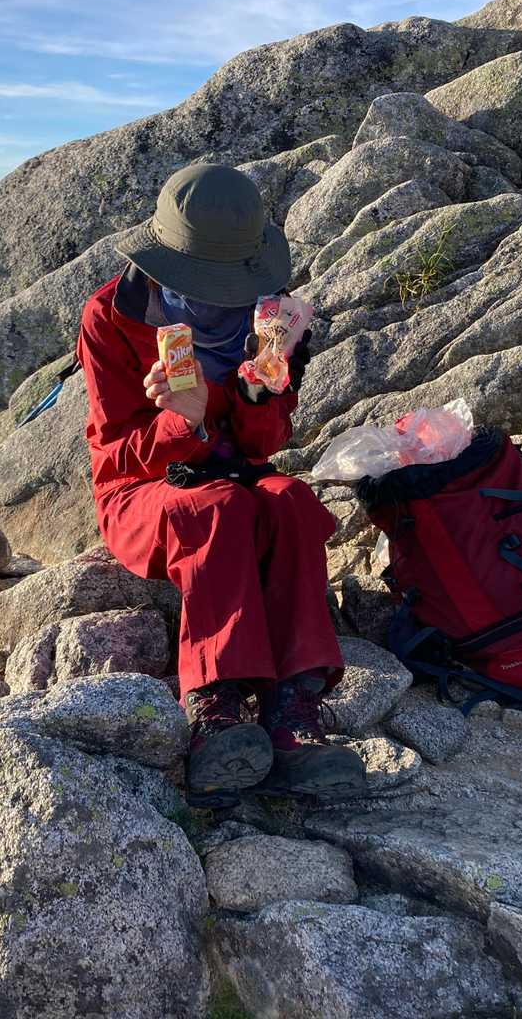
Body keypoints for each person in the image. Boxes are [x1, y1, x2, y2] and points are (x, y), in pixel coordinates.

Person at [76, 162, 366, 807]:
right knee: (217, 509)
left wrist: (259, 388)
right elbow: (119, 456)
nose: (223, 296)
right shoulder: (111, 316)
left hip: (236, 475)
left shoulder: (267, 318)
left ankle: (294, 707)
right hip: (145, 493)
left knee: (291, 501)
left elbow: (264, 446)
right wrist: (184, 420)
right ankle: (216, 705)